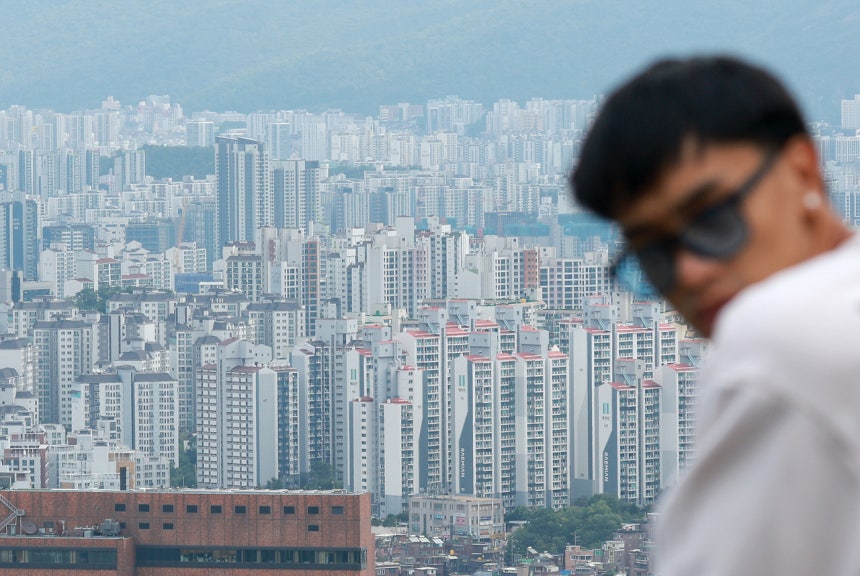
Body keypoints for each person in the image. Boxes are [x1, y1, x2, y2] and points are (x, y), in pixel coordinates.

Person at [571, 55, 860, 575]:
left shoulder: (778, 336)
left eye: (711, 218)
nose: (691, 272)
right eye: (653, 255)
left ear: (802, 168)